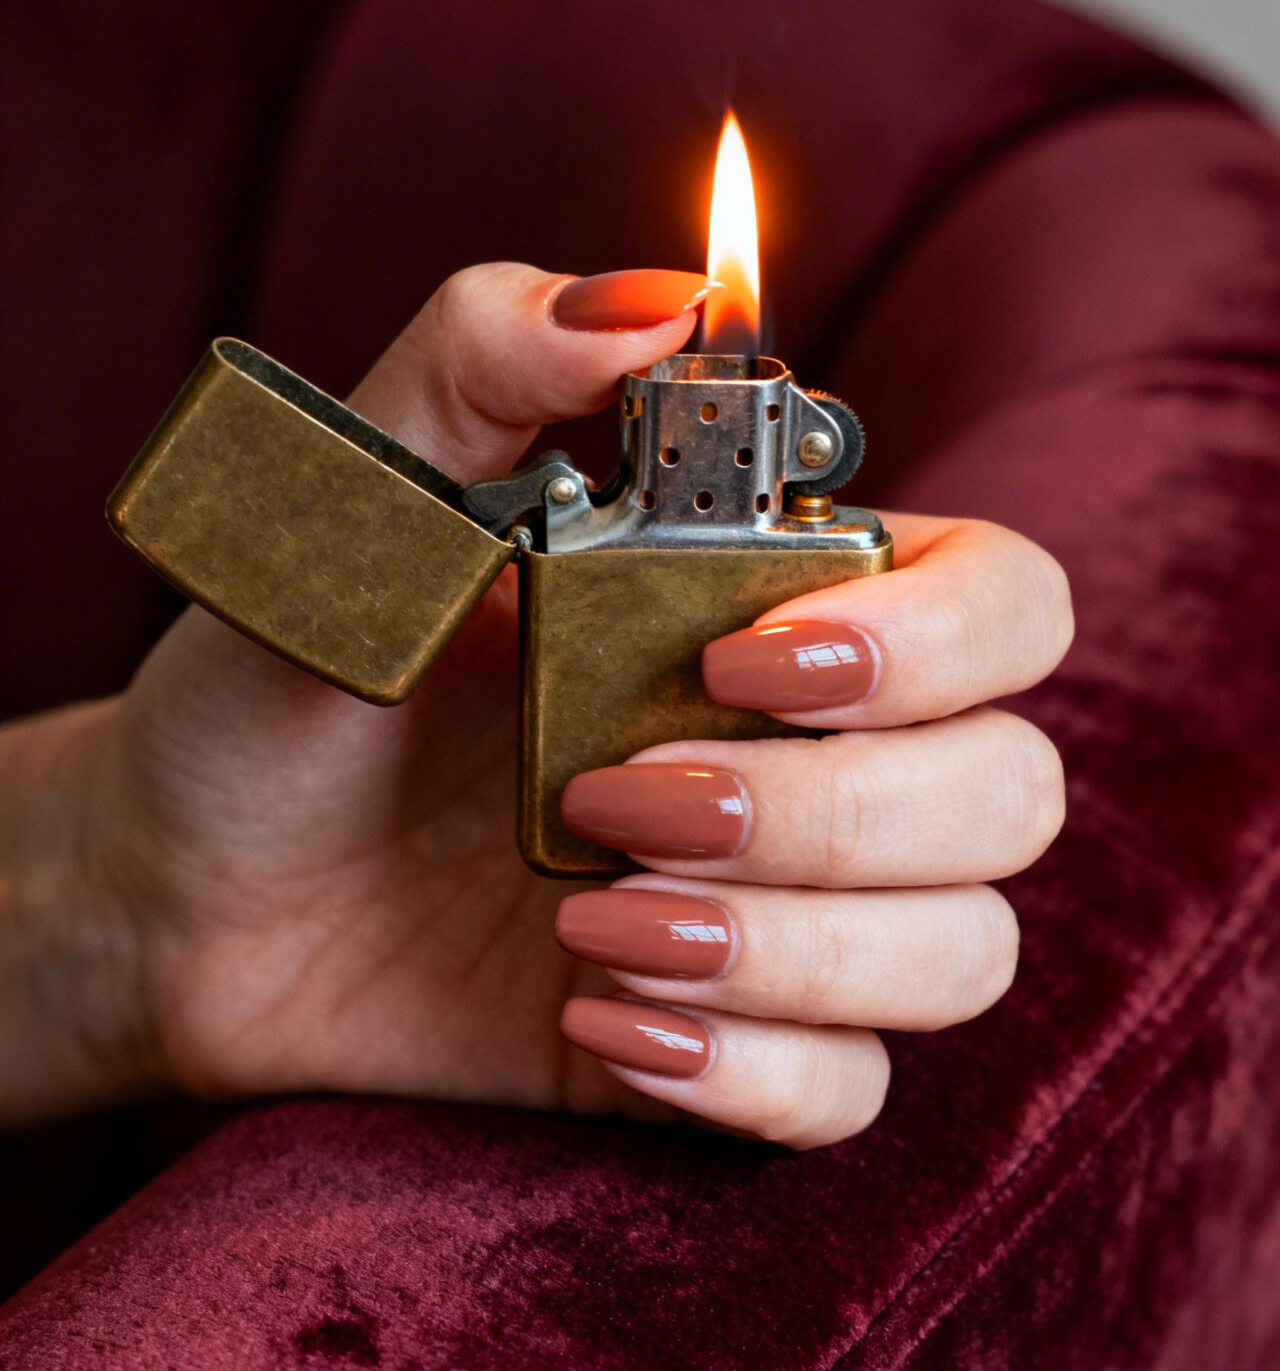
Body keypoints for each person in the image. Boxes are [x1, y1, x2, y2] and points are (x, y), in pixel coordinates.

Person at [0, 262, 1071, 1147]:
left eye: (737, 435)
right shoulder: (575, 521)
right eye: (695, 428)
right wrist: (127, 887)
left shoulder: (623, 527)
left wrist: (136, 899)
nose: (712, 436)